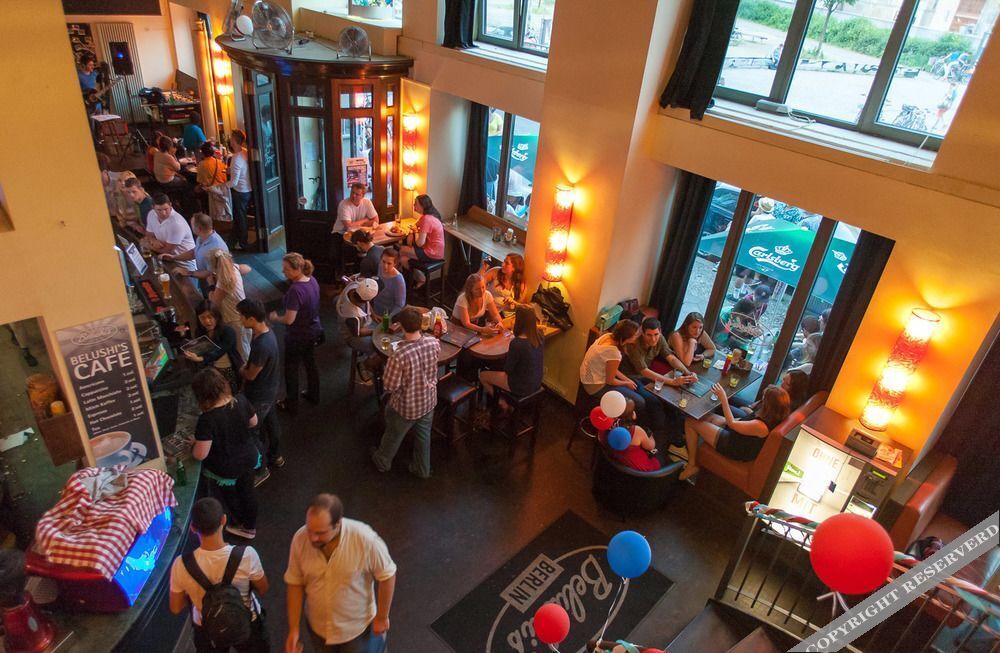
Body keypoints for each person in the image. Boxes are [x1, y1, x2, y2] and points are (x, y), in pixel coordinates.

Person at [284, 494, 396, 653]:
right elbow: (295, 582)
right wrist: (294, 629)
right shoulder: (300, 538)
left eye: (320, 533)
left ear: (337, 524)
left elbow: (387, 574)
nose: (312, 538)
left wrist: (382, 617)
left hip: (355, 631)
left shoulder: (365, 540)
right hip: (318, 629)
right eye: (310, 529)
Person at [169, 498, 269, 653]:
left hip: (206, 627)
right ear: (223, 520)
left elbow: (176, 607)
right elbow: (263, 588)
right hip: (247, 620)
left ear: (193, 528)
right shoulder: (247, 555)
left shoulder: (181, 564)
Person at [188, 369, 261, 540]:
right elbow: (254, 422)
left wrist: (195, 445)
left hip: (227, 467)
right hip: (249, 457)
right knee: (248, 493)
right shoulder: (240, 400)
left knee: (232, 497)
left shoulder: (207, 419)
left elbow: (200, 455)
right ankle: (250, 526)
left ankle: (239, 524)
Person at [371, 307, 440, 478]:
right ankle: (422, 469)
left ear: (400, 326)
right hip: (428, 400)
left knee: (393, 434)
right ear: (421, 324)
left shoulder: (399, 355)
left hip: (406, 407)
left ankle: (382, 461)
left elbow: (390, 386)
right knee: (424, 437)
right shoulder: (433, 342)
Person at [679, 384, 791, 481]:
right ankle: (688, 439)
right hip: (738, 435)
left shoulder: (761, 426)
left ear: (768, 405)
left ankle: (692, 465)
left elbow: (732, 423)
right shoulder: (768, 415)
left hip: (734, 446)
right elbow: (744, 422)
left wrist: (723, 398)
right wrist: (724, 420)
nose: (762, 399)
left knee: (690, 421)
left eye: (764, 397)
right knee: (702, 416)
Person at [623, 317, 695, 443]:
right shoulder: (634, 345)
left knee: (673, 396)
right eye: (649, 335)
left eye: (656, 334)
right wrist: (672, 382)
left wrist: (687, 372)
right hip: (632, 377)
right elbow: (643, 371)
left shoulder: (660, 339)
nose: (653, 339)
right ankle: (659, 435)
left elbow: (671, 358)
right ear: (642, 332)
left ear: (660, 331)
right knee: (654, 401)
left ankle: (676, 432)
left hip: (647, 375)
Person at [237, 298, 284, 482]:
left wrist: (241, 369)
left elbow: (251, 375)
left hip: (260, 395)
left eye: (242, 316)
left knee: (252, 432)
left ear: (251, 319)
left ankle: (261, 469)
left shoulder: (262, 345)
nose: (240, 319)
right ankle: (275, 456)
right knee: (272, 424)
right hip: (270, 390)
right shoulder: (267, 332)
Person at [269, 253, 322, 412]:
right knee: (310, 363)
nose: (283, 271)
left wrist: (275, 318)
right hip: (313, 330)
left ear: (297, 269)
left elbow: (289, 320)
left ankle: (291, 404)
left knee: (291, 369)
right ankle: (314, 394)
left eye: (286, 269)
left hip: (298, 336)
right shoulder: (312, 280)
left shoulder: (295, 290)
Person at [579, 320, 649, 420]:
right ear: (624, 338)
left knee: (633, 384)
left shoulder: (607, 336)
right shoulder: (614, 352)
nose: (636, 337)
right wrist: (626, 383)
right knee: (640, 402)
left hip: (589, 376)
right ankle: (627, 422)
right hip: (595, 386)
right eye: (634, 335)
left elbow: (611, 368)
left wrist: (627, 380)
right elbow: (610, 381)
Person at [479, 305, 544, 403]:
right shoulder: (539, 335)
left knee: (483, 376)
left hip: (520, 386)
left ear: (519, 322)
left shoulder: (517, 343)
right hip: (537, 380)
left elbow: (508, 370)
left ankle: (502, 403)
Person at [182, 300, 244, 392]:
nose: (207, 321)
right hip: (211, 370)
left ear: (217, 316)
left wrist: (200, 358)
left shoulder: (228, 331)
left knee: (229, 393)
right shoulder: (199, 332)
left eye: (210, 317)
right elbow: (201, 349)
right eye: (202, 318)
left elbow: (218, 351)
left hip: (229, 369)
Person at [205, 249, 250, 360]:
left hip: (234, 319)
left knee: (241, 351)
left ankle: (247, 369)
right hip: (244, 313)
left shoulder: (224, 281)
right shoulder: (233, 268)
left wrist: (210, 285)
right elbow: (247, 268)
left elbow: (214, 302)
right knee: (246, 344)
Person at [600, 400, 668, 472]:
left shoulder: (603, 425)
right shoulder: (636, 431)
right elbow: (651, 446)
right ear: (633, 415)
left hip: (619, 463)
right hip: (648, 469)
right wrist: (651, 436)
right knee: (662, 433)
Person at [165, 212, 229, 289]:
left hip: (216, 284)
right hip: (204, 279)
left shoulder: (215, 247)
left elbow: (210, 273)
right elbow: (194, 252)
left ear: (199, 229)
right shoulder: (202, 236)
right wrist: (174, 257)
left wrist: (187, 272)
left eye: (192, 225)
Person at [331, 183, 379, 278]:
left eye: (357, 194)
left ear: (363, 196)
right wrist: (365, 220)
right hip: (340, 233)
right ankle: (345, 274)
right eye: (352, 192)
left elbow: (376, 220)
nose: (353, 196)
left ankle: (362, 274)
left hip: (360, 233)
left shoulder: (367, 202)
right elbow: (348, 226)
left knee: (368, 247)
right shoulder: (344, 204)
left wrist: (359, 224)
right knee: (343, 251)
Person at [336, 278, 380, 382]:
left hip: (363, 324)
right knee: (378, 348)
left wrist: (373, 315)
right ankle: (363, 367)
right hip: (352, 336)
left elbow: (367, 303)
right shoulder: (351, 314)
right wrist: (375, 331)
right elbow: (357, 333)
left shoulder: (355, 287)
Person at [144, 194, 197, 272]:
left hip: (184, 266)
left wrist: (149, 245)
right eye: (159, 210)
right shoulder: (151, 214)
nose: (163, 213)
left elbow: (168, 251)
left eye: (166, 209)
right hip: (165, 259)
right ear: (153, 207)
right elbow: (149, 234)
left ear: (170, 205)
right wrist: (153, 240)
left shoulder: (176, 223)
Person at [398, 194, 445, 284]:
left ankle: (416, 279)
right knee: (403, 259)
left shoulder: (427, 219)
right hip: (437, 251)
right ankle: (416, 278)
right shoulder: (428, 216)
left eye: (416, 203)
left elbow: (420, 243)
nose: (414, 205)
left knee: (402, 250)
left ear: (422, 206)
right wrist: (413, 231)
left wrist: (414, 232)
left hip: (432, 253)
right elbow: (415, 225)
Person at [227, 130, 252, 251]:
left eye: (231, 138)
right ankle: (236, 240)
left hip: (240, 191)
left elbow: (233, 183)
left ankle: (242, 242)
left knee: (240, 217)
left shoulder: (235, 158)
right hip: (248, 189)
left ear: (234, 141)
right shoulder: (245, 152)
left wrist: (221, 186)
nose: (230, 140)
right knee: (240, 216)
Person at [197, 142, 232, 222]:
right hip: (222, 190)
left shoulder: (201, 164)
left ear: (202, 153)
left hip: (210, 192)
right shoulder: (219, 162)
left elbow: (200, 181)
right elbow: (225, 176)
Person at [372, 247, 405, 320]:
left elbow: (399, 305)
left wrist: (386, 319)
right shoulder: (380, 267)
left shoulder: (398, 280)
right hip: (374, 311)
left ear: (395, 264)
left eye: (389, 263)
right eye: (383, 261)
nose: (385, 266)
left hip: (387, 316)